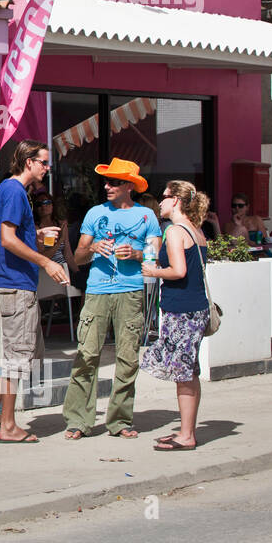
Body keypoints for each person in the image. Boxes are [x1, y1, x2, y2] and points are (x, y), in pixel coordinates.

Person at [0, 141, 68, 443]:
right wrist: (46, 262)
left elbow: (13, 235)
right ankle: (9, 425)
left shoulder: (9, 190)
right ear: (28, 162)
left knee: (27, 352)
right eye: (43, 162)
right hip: (16, 283)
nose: (46, 168)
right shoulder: (15, 191)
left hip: (16, 281)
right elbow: (8, 239)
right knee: (19, 355)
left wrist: (36, 234)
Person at [62, 158, 161, 440]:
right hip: (97, 291)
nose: (107, 186)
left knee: (128, 358)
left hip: (130, 292)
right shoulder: (95, 213)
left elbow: (156, 256)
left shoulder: (147, 217)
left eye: (114, 182)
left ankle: (119, 421)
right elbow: (77, 258)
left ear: (129, 185)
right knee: (87, 355)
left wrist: (138, 254)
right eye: (106, 181)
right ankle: (78, 421)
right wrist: (93, 247)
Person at [140, 181, 212, 451]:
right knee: (189, 372)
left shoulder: (174, 231)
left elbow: (179, 271)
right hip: (195, 307)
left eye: (165, 197)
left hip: (181, 310)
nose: (160, 202)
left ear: (177, 202)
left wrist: (154, 272)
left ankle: (186, 435)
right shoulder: (195, 230)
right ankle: (187, 430)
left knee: (183, 373)